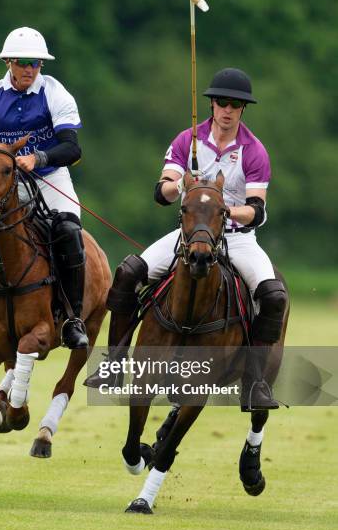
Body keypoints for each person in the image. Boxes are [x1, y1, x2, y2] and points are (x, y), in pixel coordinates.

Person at [106, 67, 287, 409]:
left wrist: (219, 210)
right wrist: (184, 185)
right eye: (221, 102)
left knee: (274, 296)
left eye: (235, 104)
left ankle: (255, 383)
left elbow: (257, 210)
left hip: (238, 239)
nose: (227, 109)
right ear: (212, 105)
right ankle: (114, 362)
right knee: (128, 272)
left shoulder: (254, 151)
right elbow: (162, 192)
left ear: (243, 108)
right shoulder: (186, 141)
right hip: (189, 237)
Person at [0, 26, 88, 349]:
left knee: (69, 230)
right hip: (4, 180)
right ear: (8, 63)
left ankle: (72, 318)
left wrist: (39, 156)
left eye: (36, 63)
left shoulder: (56, 94)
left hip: (50, 178)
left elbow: (72, 149)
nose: (30, 69)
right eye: (23, 63)